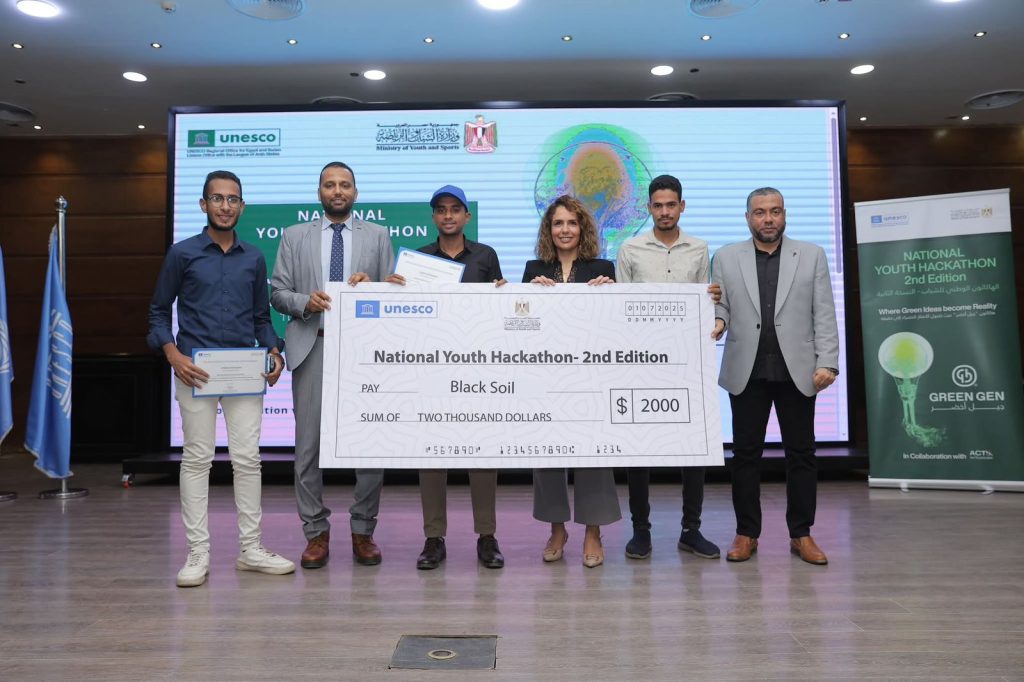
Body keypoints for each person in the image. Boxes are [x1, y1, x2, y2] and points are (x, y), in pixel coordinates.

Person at [148, 170, 294, 587]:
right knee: (197, 459)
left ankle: (251, 549)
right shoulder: (182, 254)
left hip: (244, 375)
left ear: (242, 206)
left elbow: (262, 318)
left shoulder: (254, 257)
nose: (225, 206)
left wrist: (274, 351)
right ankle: (197, 553)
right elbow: (158, 312)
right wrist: (173, 356)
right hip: (195, 371)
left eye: (232, 199)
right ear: (203, 204)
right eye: (217, 198)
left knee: (248, 459)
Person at [270, 162, 396, 569]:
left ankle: (363, 530)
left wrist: (374, 288)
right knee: (308, 448)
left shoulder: (378, 235)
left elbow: (392, 294)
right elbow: (277, 292)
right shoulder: (294, 236)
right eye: (330, 185)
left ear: (355, 192)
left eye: (344, 185)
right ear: (319, 192)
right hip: (314, 346)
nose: (337, 191)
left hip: (363, 353)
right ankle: (315, 532)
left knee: (369, 447)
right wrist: (305, 302)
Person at [711, 187, 840, 565]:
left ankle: (801, 534)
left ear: (785, 214)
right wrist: (717, 321)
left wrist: (828, 361)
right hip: (747, 370)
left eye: (775, 211)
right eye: (760, 212)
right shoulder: (725, 257)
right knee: (745, 455)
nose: (768, 219)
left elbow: (824, 312)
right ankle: (746, 533)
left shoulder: (811, 255)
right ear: (747, 217)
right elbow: (720, 306)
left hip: (797, 371)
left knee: (801, 454)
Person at [385, 185, 506, 570]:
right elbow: (404, 321)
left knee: (482, 453)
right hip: (432, 369)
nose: (448, 215)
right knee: (432, 454)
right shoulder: (418, 261)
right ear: (434, 216)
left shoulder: (486, 256)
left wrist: (503, 295)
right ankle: (434, 538)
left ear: (467, 216)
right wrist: (394, 293)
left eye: (455, 209)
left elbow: (500, 314)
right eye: (441, 209)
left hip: (478, 367)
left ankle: (487, 536)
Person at [615, 174, 722, 562]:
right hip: (640, 363)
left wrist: (713, 302)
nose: (664, 211)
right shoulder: (629, 248)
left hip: (687, 362)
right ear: (649, 208)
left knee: (693, 449)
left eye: (671, 204)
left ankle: (691, 530)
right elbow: (619, 308)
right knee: (639, 450)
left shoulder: (700, 248)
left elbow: (705, 303)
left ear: (682, 206)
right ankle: (640, 530)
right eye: (658, 205)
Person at [523, 194, 619, 568]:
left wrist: (609, 294)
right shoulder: (534, 268)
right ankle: (557, 529)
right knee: (548, 455)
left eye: (572, 223)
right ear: (549, 229)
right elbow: (520, 325)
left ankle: (593, 531)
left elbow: (615, 325)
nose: (565, 230)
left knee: (593, 454)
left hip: (591, 376)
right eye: (558, 223)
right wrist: (529, 295)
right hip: (545, 377)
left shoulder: (603, 267)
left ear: (583, 228)